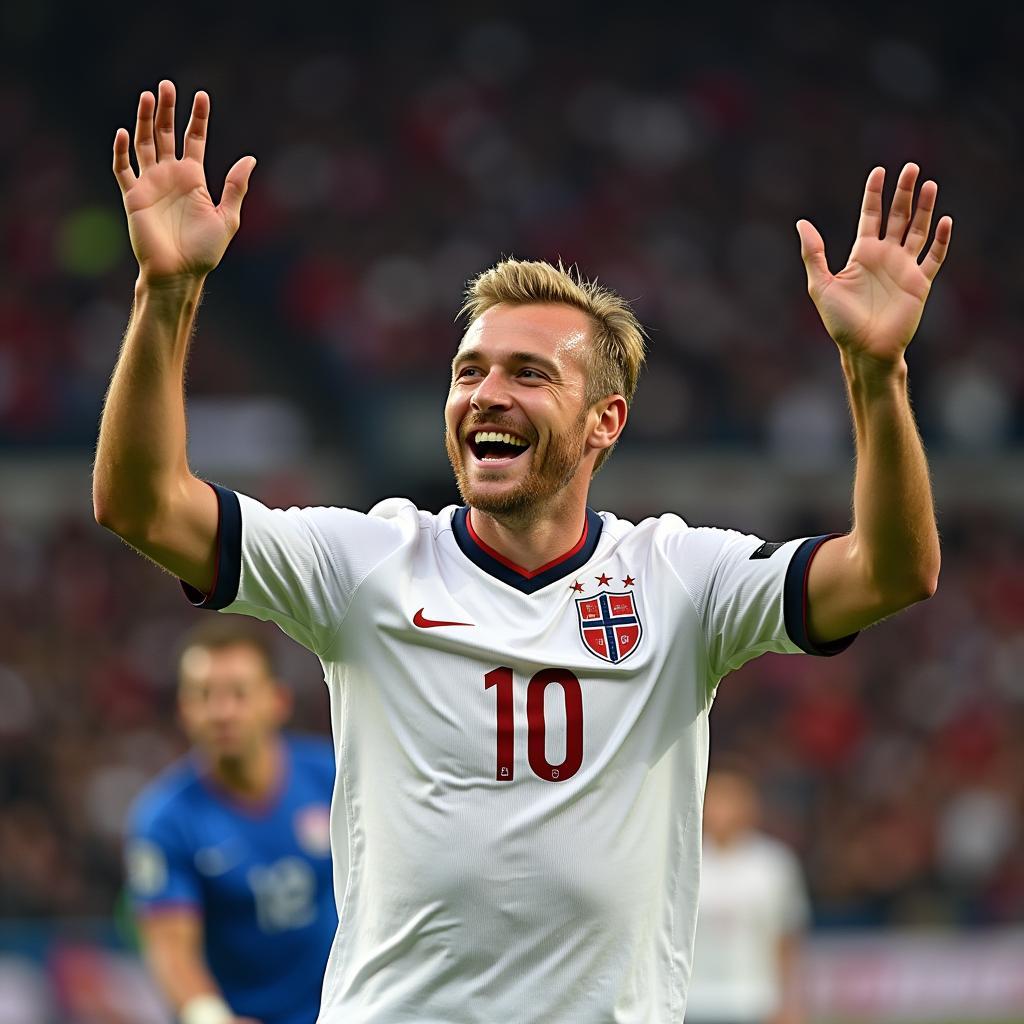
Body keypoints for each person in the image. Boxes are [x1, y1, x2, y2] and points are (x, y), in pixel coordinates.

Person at [95, 80, 950, 1023]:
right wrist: (166, 292)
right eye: (469, 371)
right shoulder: (365, 564)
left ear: (603, 422)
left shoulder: (681, 579)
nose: (485, 393)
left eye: (528, 374)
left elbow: (891, 571)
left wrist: (878, 374)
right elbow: (141, 505)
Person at [124, 619, 338, 1024]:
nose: (222, 712)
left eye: (238, 693)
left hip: (346, 1010)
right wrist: (210, 1017)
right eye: (205, 695)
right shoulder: (165, 820)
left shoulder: (333, 779)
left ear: (277, 701)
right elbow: (170, 946)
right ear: (184, 710)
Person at [687, 766, 811, 1024]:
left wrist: (790, 1004)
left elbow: (787, 937)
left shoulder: (773, 864)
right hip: (693, 1001)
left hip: (755, 1002)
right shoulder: (684, 862)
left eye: (731, 800)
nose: (722, 811)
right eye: (716, 799)